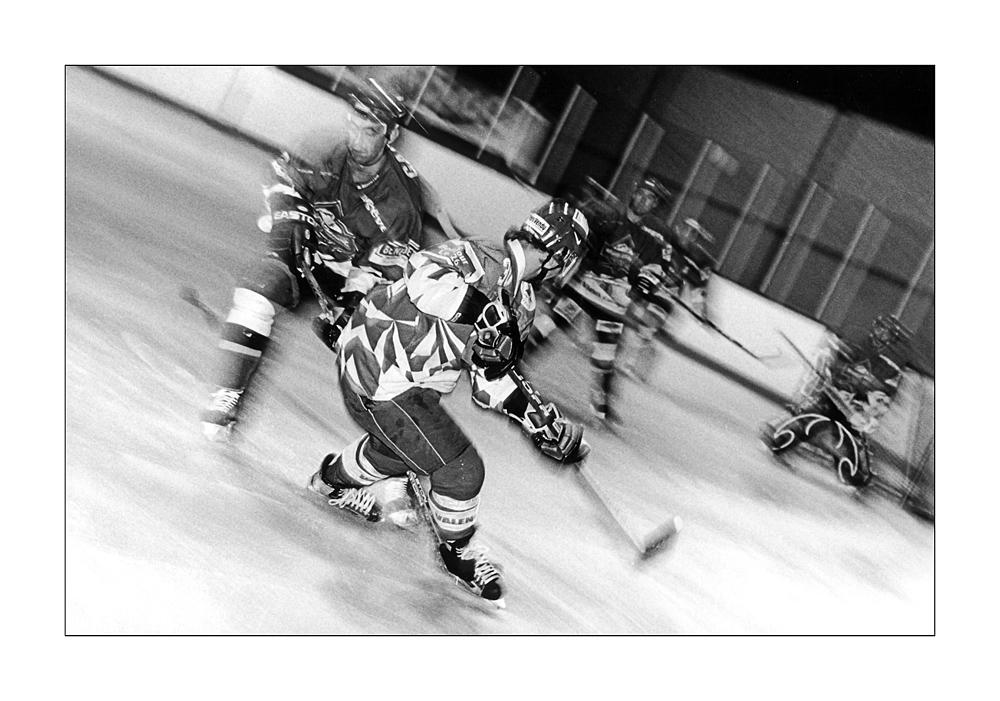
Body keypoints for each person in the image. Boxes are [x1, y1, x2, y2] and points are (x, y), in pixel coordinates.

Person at [307, 200, 591, 605]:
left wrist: (538, 423)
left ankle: (330, 480)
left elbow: (490, 380)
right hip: (379, 373)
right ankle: (458, 556)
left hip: (407, 387)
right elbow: (422, 274)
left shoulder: (523, 304)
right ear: (560, 256)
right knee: (461, 470)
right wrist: (481, 308)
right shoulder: (483, 256)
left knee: (401, 452)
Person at [201, 77, 459, 440]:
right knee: (260, 288)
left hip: (350, 278)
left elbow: (379, 270)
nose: (357, 140)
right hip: (304, 252)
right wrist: (290, 215)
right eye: (353, 124)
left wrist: (349, 309)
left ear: (391, 134)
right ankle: (229, 393)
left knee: (385, 366)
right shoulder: (325, 151)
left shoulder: (401, 202)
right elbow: (280, 176)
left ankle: (396, 451)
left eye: (370, 131)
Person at [528, 176, 673, 424]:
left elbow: (656, 269)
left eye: (650, 199)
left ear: (654, 206)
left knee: (606, 353)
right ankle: (517, 360)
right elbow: (579, 240)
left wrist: (642, 285)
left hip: (614, 304)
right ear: (634, 192)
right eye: (641, 193)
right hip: (583, 288)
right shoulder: (608, 217)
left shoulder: (655, 238)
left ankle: (601, 406)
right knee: (550, 323)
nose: (643, 200)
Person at [764, 315, 912, 486]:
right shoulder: (854, 345)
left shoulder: (889, 367)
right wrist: (837, 377)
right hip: (829, 401)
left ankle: (854, 474)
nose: (882, 334)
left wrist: (865, 412)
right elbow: (830, 364)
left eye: (887, 333)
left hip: (851, 412)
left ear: (893, 338)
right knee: (808, 422)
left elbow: (883, 397)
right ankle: (778, 439)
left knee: (852, 461)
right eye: (881, 329)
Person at [618, 216, 717, 378]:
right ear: (678, 228)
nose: (687, 234)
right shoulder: (662, 239)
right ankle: (624, 348)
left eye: (693, 233)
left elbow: (697, 291)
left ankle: (629, 363)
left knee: (647, 326)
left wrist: (701, 316)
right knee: (622, 310)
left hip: (665, 296)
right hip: (647, 284)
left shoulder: (695, 261)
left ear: (695, 239)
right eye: (686, 229)